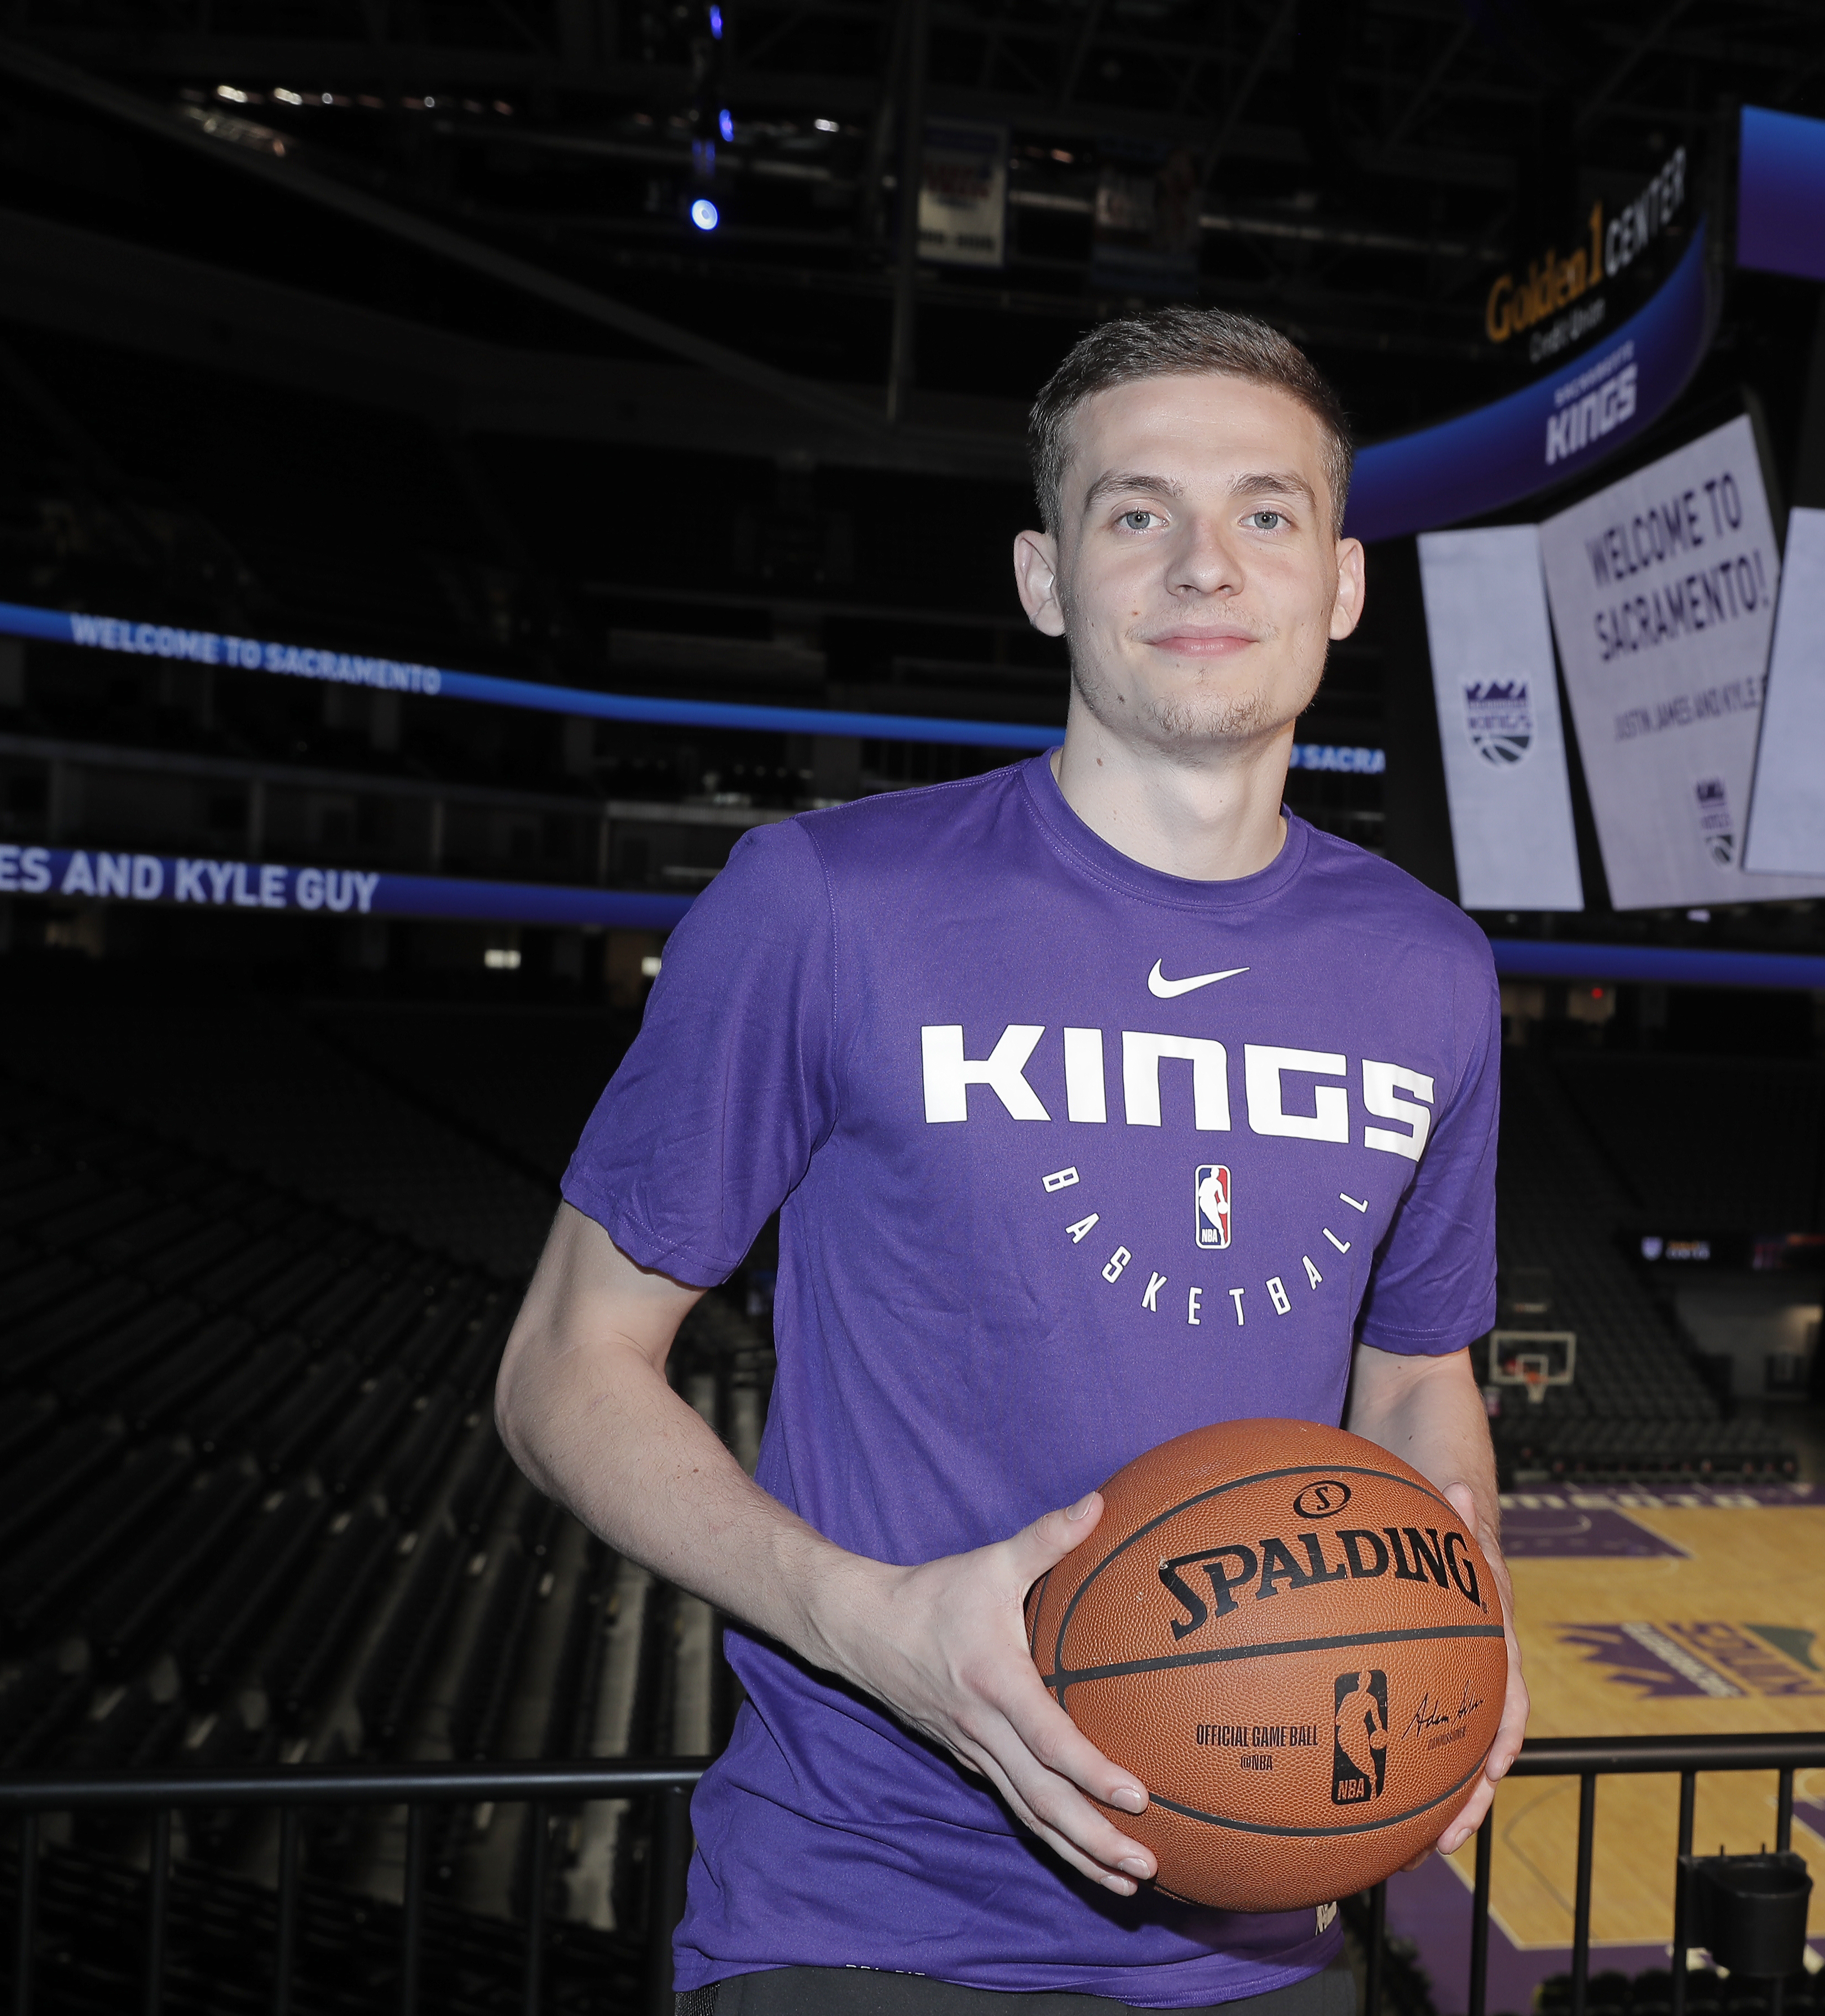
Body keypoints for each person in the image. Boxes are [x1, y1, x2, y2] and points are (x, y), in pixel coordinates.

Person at [496, 307, 1523, 2014]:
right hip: (865, 1920)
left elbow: (1419, 1386)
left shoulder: (1433, 970)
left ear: (1341, 585)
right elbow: (561, 1370)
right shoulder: (828, 902)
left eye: (1268, 512)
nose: (1207, 563)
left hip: (1270, 1929)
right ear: (1047, 579)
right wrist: (867, 1623)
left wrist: (1465, 1604)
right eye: (1139, 512)